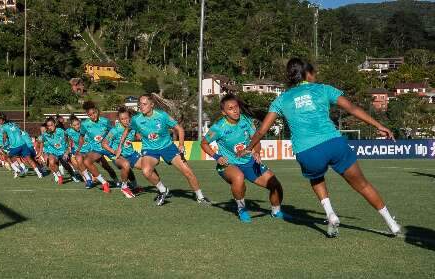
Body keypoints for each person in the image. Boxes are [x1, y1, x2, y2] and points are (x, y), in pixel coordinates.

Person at [239, 58, 401, 236]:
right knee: (362, 185)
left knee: (316, 178)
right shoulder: (324, 89)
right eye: (314, 73)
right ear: (307, 74)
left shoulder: (281, 99)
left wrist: (249, 147)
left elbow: (262, 130)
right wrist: (378, 125)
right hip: (333, 143)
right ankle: (391, 222)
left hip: (306, 151)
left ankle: (330, 213)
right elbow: (352, 109)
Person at [201, 94, 290, 223]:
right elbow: (204, 143)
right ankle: (241, 209)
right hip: (228, 164)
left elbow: (256, 140)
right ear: (224, 112)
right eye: (230, 108)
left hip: (248, 161)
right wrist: (217, 156)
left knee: (275, 185)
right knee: (238, 177)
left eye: (236, 107)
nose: (235, 110)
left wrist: (257, 152)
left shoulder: (246, 121)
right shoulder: (218, 127)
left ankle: (276, 212)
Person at [115, 94, 211, 206]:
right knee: (146, 171)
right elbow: (127, 130)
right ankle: (163, 190)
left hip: (168, 147)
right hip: (149, 149)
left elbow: (179, 129)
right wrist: (120, 146)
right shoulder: (136, 119)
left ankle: (200, 197)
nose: (141, 106)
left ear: (152, 105)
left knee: (187, 172)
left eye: (144, 104)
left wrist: (181, 144)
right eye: (140, 104)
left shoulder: (162, 115)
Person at [102, 107, 154, 198]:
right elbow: (104, 143)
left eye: (126, 118)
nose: (125, 121)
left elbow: (138, 136)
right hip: (118, 156)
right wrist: (114, 151)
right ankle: (124, 187)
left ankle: (136, 186)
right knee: (126, 165)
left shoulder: (133, 127)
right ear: (119, 120)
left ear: (130, 117)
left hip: (131, 154)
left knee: (147, 166)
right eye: (122, 119)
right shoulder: (115, 130)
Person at [78, 101, 115, 193]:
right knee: (86, 161)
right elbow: (81, 136)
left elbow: (113, 132)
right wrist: (79, 148)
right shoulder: (85, 124)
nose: (93, 116)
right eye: (90, 115)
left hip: (108, 147)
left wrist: (108, 141)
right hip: (96, 150)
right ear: (87, 115)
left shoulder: (105, 121)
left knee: (112, 166)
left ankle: (119, 181)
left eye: (94, 113)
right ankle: (104, 183)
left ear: (97, 111)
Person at [0, 113, 43, 179]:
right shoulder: (14, 124)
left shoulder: (3, 127)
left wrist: (3, 144)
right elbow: (19, 132)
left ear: (3, 120)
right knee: (29, 159)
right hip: (23, 144)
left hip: (15, 146)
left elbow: (4, 137)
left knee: (6, 156)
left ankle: (16, 169)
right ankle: (39, 173)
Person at [38, 117, 71, 185]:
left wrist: (67, 151)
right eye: (48, 126)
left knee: (67, 166)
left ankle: (73, 174)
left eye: (51, 125)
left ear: (55, 124)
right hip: (53, 152)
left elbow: (67, 139)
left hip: (63, 152)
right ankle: (59, 176)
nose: (50, 127)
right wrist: (40, 152)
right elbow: (42, 142)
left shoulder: (61, 131)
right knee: (51, 162)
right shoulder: (45, 134)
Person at [66, 114, 94, 188]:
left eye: (78, 124)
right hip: (76, 151)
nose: (77, 126)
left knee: (88, 165)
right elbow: (68, 140)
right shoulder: (69, 131)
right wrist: (68, 149)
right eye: (75, 125)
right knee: (77, 166)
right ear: (71, 126)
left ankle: (93, 176)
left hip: (88, 150)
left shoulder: (85, 128)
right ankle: (87, 181)